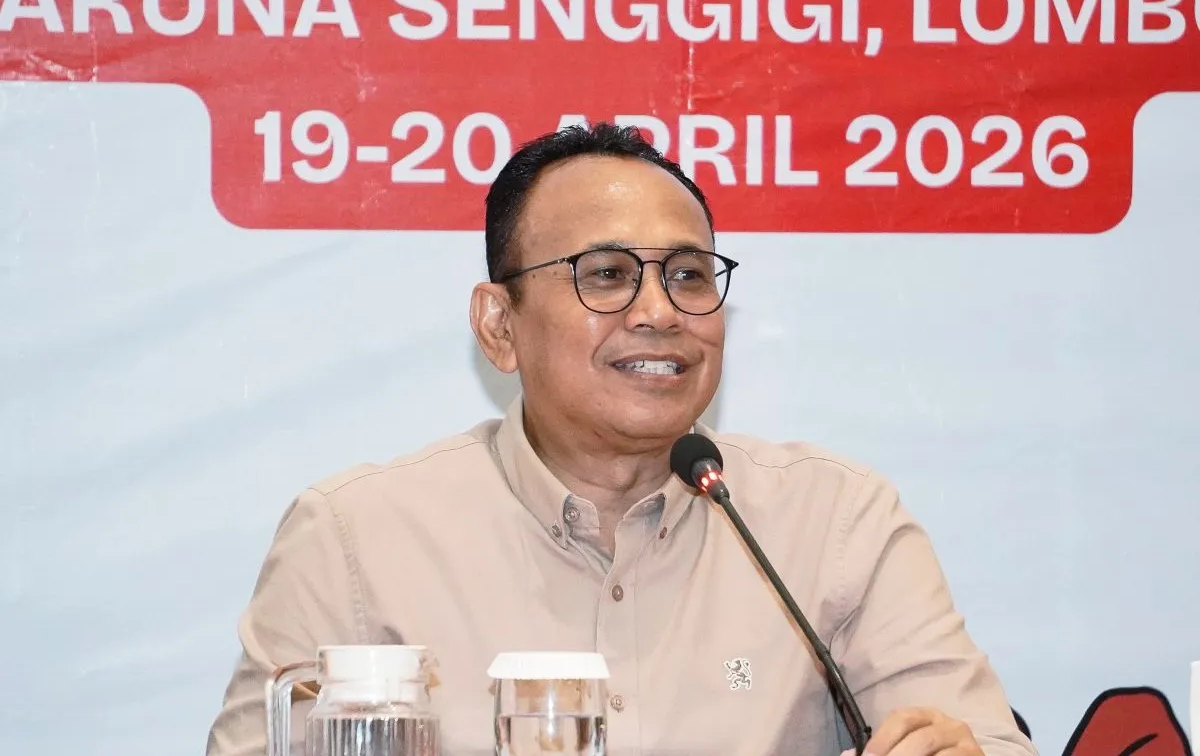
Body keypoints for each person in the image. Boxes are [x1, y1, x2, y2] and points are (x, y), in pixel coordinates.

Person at [205, 123, 1037, 756]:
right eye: (607, 275)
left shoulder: (834, 522)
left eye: (688, 275)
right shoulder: (356, 538)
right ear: (499, 326)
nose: (660, 312)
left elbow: (983, 741)